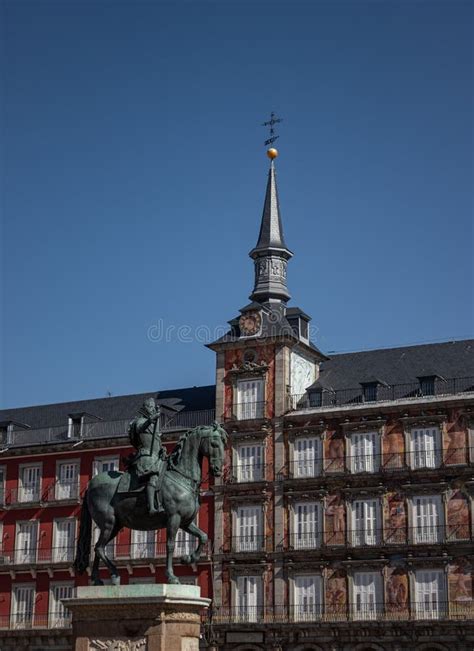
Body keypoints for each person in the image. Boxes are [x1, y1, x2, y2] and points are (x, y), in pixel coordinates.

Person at [127, 397, 166, 515]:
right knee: (153, 476)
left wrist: (161, 450)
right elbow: (139, 429)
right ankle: (151, 508)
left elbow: (156, 443)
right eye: (150, 407)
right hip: (144, 455)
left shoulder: (154, 427)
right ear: (145, 408)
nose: (152, 409)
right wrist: (150, 420)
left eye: (153, 408)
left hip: (155, 456)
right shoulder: (139, 421)